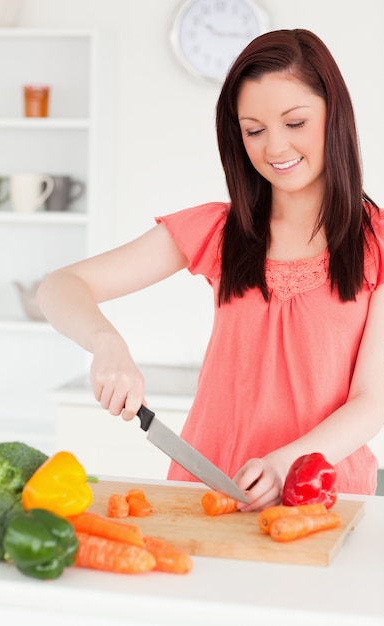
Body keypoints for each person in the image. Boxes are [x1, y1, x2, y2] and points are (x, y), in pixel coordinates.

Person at [37, 29, 384, 511]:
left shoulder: (378, 243)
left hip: (323, 493)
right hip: (207, 487)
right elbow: (60, 286)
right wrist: (106, 345)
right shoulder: (221, 230)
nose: (275, 147)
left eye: (295, 122)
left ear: (334, 116)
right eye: (254, 130)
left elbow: (372, 401)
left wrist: (286, 464)